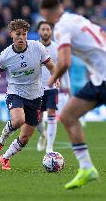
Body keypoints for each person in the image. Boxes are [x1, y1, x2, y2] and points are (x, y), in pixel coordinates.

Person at [39, 0, 104, 189]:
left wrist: (52, 78)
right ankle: (86, 168)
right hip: (100, 79)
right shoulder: (77, 19)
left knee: (68, 116)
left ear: (45, 13)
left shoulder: (62, 28)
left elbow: (65, 62)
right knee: (67, 115)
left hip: (103, 78)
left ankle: (86, 167)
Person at [0, 19, 56, 170]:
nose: (21, 38)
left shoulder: (37, 48)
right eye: (18, 34)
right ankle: (0, 141)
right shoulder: (5, 56)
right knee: (18, 120)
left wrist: (55, 79)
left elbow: (51, 66)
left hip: (36, 96)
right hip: (15, 93)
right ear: (11, 34)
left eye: (24, 34)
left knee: (25, 137)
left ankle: (5, 158)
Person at [36, 21, 70, 152]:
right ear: (39, 31)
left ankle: (49, 147)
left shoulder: (57, 48)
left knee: (52, 113)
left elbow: (63, 67)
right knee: (37, 117)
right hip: (36, 87)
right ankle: (43, 135)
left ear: (51, 32)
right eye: (43, 29)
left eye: (47, 29)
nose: (45, 32)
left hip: (52, 86)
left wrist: (66, 85)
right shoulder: (34, 47)